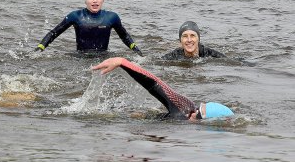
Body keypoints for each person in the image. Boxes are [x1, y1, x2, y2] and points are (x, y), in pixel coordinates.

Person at [92, 57, 234, 120]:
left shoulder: (185, 119)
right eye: (199, 108)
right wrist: (123, 62)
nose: (192, 113)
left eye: (197, 115)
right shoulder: (185, 109)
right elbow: (155, 84)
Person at [35, 0, 143, 56]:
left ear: (103, 0)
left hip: (103, 56)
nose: (95, 1)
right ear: (85, 0)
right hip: (80, 57)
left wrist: (136, 50)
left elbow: (124, 36)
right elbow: (53, 33)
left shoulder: (112, 17)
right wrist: (40, 48)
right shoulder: (75, 16)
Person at [162, 21, 226, 60]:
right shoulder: (174, 55)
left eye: (192, 35)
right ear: (180, 40)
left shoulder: (211, 54)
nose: (189, 40)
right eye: (185, 36)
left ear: (198, 39)